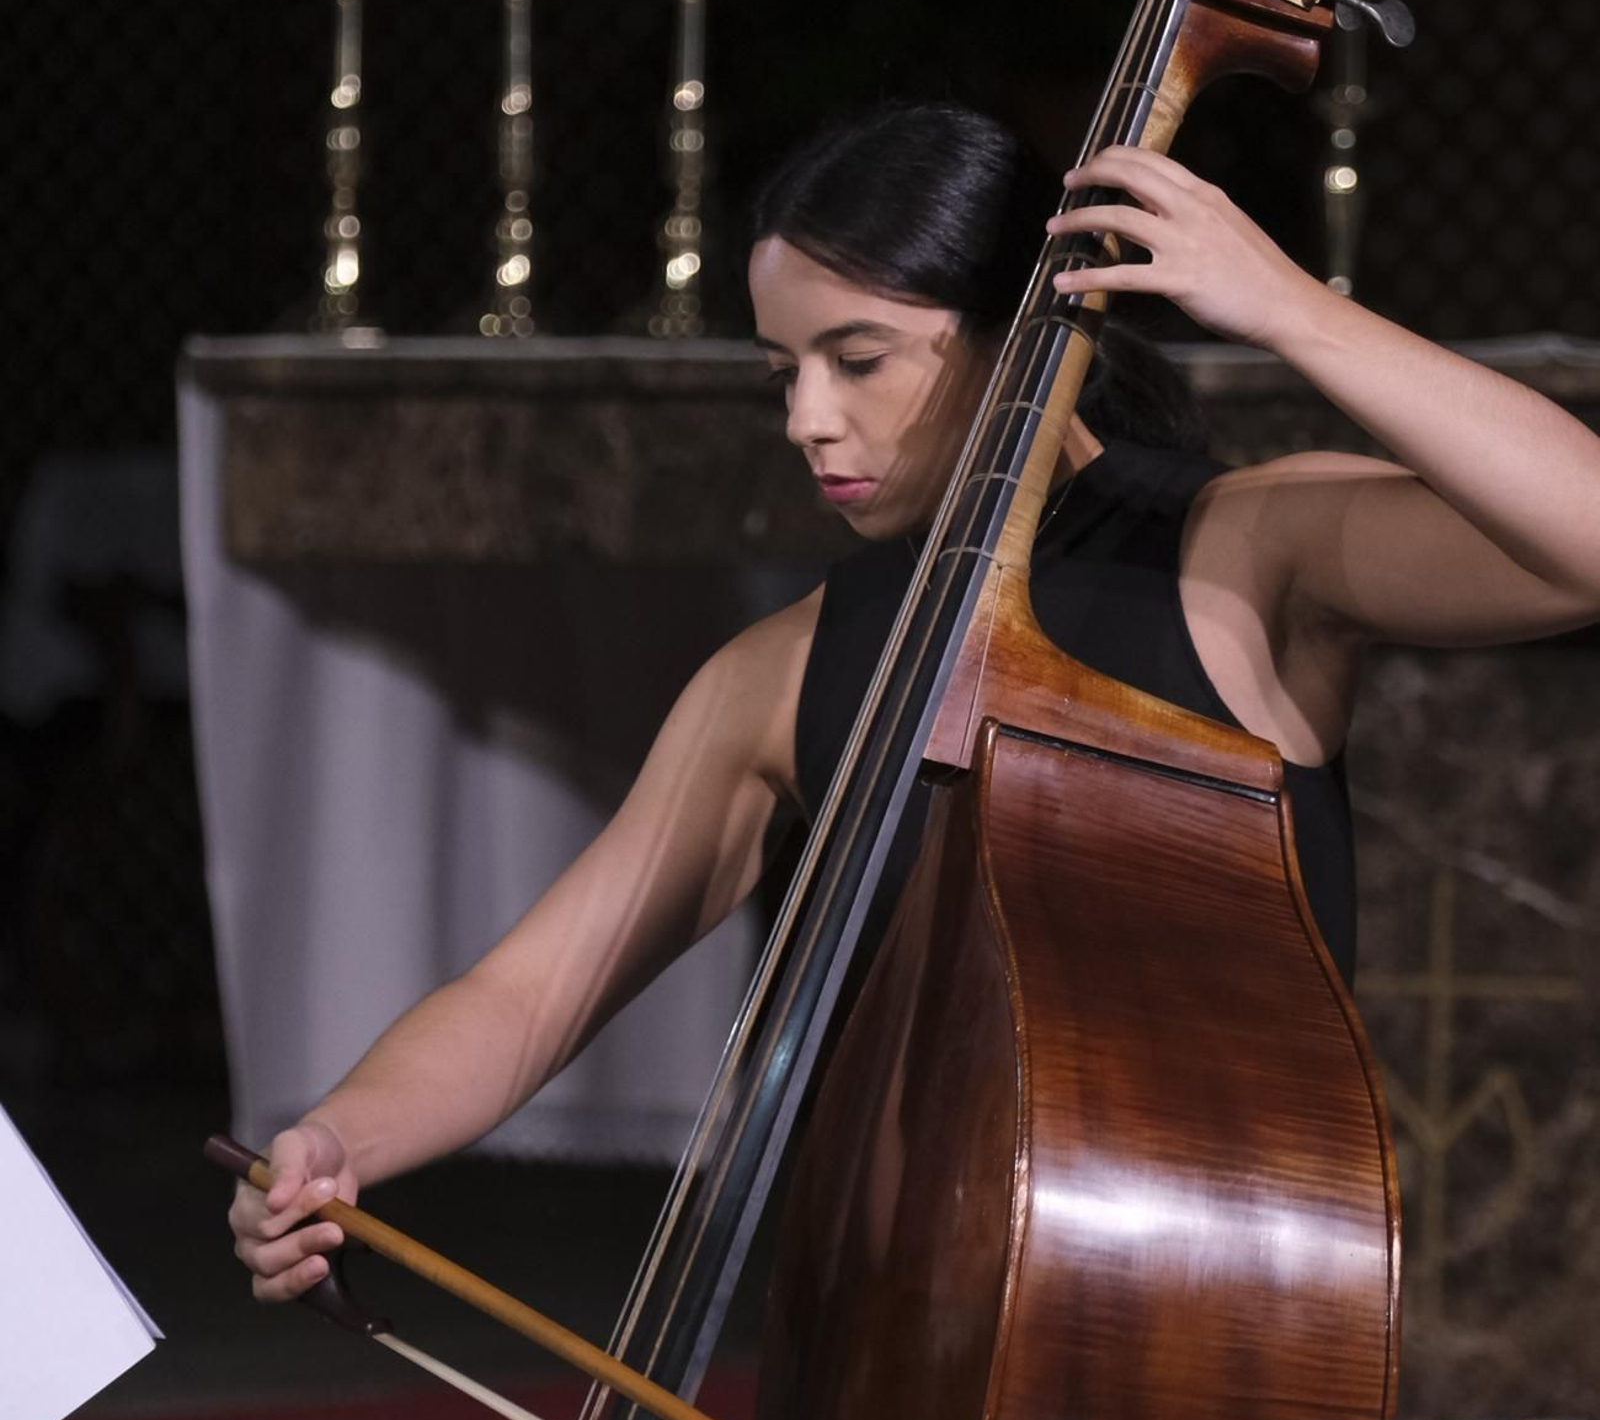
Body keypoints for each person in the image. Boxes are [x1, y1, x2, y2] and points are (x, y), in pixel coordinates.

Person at [230, 101, 1600, 1303]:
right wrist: (347, 1131)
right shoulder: (779, 670)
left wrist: (1293, 305)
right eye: (784, 372)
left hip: (1204, 1326)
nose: (807, 420)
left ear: (1022, 332)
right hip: (889, 1336)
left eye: (860, 358)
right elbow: (531, 991)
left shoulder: (1241, 551)